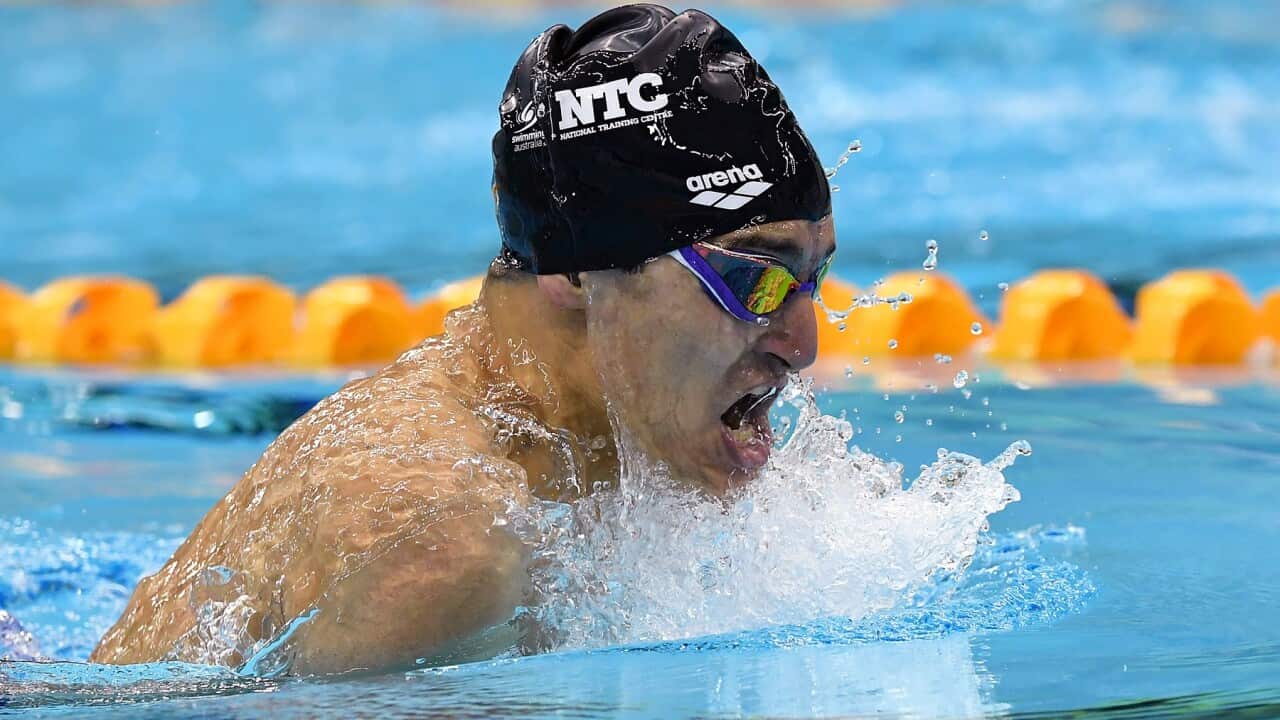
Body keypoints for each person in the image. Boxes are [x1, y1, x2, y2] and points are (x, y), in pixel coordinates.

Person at [90, 3, 835, 675]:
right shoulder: (445, 542)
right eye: (754, 281)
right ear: (575, 269)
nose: (801, 344)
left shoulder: (582, 456)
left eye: (813, 281)